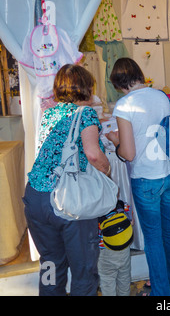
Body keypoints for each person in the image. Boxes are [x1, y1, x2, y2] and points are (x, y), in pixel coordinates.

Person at [23, 64, 110, 296]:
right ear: (86, 88)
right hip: (68, 200)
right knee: (83, 270)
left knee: (50, 262)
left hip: (35, 197)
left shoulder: (50, 112)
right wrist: (107, 170)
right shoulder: (85, 114)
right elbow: (92, 154)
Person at [106, 57, 170, 296]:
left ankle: (161, 293)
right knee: (169, 228)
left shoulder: (124, 105)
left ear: (119, 83)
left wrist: (115, 141)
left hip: (146, 177)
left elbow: (128, 153)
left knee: (153, 237)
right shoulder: (161, 95)